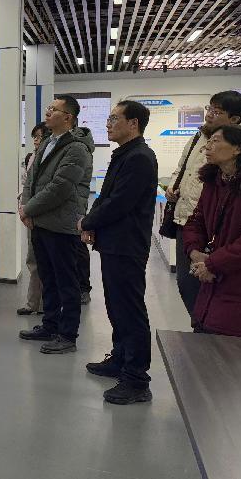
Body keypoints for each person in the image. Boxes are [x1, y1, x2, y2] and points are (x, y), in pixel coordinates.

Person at [80, 100, 158, 405]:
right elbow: (105, 196)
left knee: (129, 309)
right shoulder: (124, 153)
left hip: (127, 245)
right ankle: (121, 358)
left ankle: (137, 379)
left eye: (114, 118)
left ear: (133, 123)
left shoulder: (140, 157)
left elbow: (121, 202)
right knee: (116, 305)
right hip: (115, 242)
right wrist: (92, 221)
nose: (108, 123)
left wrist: (88, 221)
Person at [166, 91, 241, 316]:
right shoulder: (198, 137)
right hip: (187, 221)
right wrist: (173, 186)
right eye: (209, 108)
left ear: (235, 119)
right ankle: (200, 327)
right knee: (187, 283)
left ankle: (209, 329)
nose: (210, 114)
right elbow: (181, 168)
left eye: (217, 111)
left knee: (216, 286)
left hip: (217, 227)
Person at [18, 95, 91, 353]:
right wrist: (26, 207)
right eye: (48, 108)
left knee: (66, 282)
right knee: (47, 278)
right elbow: (31, 180)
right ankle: (50, 325)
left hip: (61, 225)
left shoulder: (77, 148)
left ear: (68, 117)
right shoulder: (48, 142)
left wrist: (28, 209)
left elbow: (61, 187)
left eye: (54, 109)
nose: (48, 112)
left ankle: (67, 335)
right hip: (40, 222)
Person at [184, 126, 241, 338]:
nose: (207, 147)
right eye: (208, 141)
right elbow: (195, 222)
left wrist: (213, 263)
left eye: (215, 141)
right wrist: (195, 252)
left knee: (232, 352)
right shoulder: (214, 182)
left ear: (237, 148)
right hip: (212, 289)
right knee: (206, 343)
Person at [17, 122, 50, 315]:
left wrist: (29, 209)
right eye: (34, 137)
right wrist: (24, 209)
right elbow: (27, 185)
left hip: (44, 215)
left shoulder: (52, 158)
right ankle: (33, 303)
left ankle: (46, 305)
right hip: (29, 214)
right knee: (33, 261)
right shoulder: (32, 157)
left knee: (46, 262)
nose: (36, 141)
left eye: (40, 137)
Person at [72, 121, 96, 305]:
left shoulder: (79, 147)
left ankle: (83, 288)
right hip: (68, 204)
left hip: (75, 205)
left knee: (78, 246)